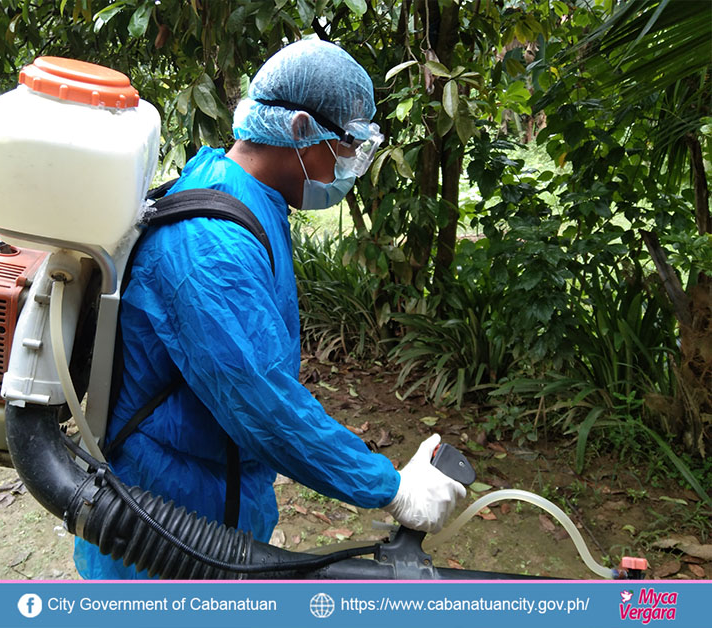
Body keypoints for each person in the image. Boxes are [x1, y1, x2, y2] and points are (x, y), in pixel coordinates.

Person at [74, 39, 465, 579]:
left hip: (217, 501)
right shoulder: (210, 247)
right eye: (348, 145)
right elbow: (262, 405)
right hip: (161, 526)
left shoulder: (246, 192)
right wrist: (390, 488)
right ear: (302, 129)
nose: (352, 163)